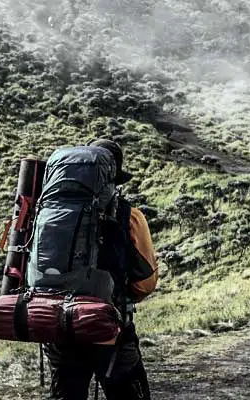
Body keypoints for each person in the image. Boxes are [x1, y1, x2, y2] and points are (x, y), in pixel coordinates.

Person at [43, 138, 159, 400]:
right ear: (114, 178)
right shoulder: (130, 216)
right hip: (110, 332)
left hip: (59, 327)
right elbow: (145, 283)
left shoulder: (49, 212)